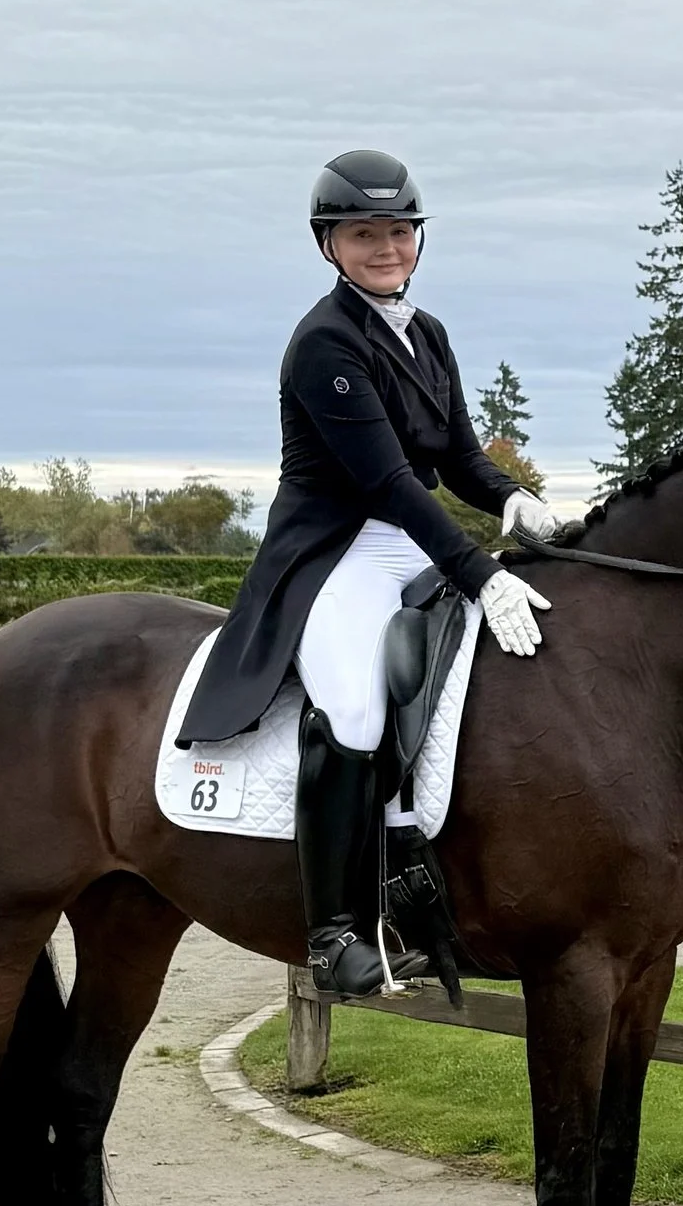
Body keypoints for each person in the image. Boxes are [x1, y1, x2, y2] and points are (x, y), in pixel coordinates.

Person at [179, 150, 559, 996]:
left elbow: (457, 457)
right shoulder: (323, 343)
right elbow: (386, 479)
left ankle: (420, 877)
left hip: (407, 542)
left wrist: (515, 502)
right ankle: (334, 934)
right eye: (364, 234)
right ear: (330, 245)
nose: (386, 248)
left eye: (399, 232)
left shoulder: (428, 334)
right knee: (352, 705)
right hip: (330, 550)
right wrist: (478, 575)